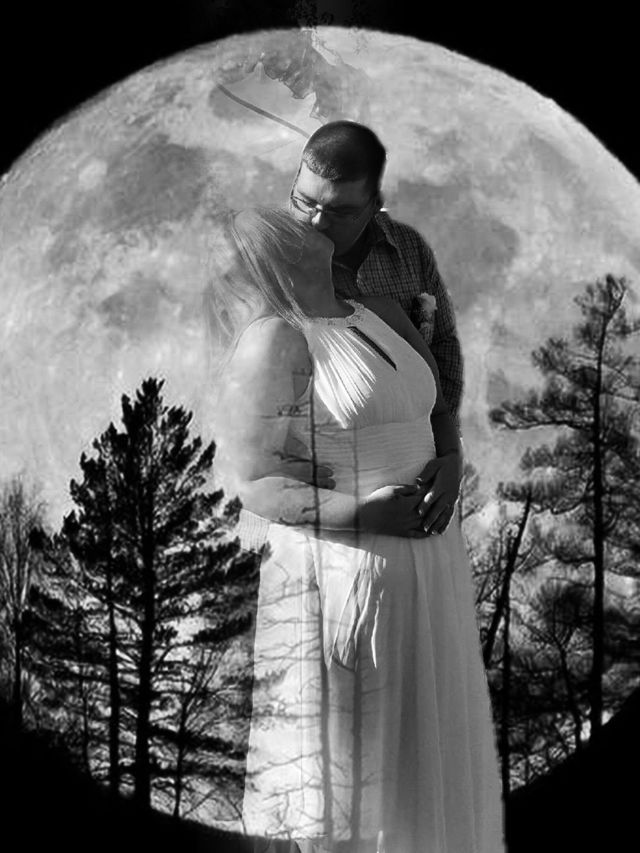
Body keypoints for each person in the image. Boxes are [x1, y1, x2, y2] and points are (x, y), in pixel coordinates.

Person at [210, 206, 504, 853]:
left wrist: (452, 462)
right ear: (274, 254)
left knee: (425, 771)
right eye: (292, 222)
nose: (312, 219)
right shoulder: (275, 340)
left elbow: (434, 411)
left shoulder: (382, 310)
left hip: (431, 567)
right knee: (355, 781)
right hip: (347, 573)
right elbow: (255, 481)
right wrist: (365, 513)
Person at [288, 120, 464, 532]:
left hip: (429, 509)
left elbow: (443, 347)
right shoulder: (268, 266)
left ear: (374, 205)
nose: (316, 222)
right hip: (328, 525)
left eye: (340, 212)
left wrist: (449, 455)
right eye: (304, 201)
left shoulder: (410, 250)